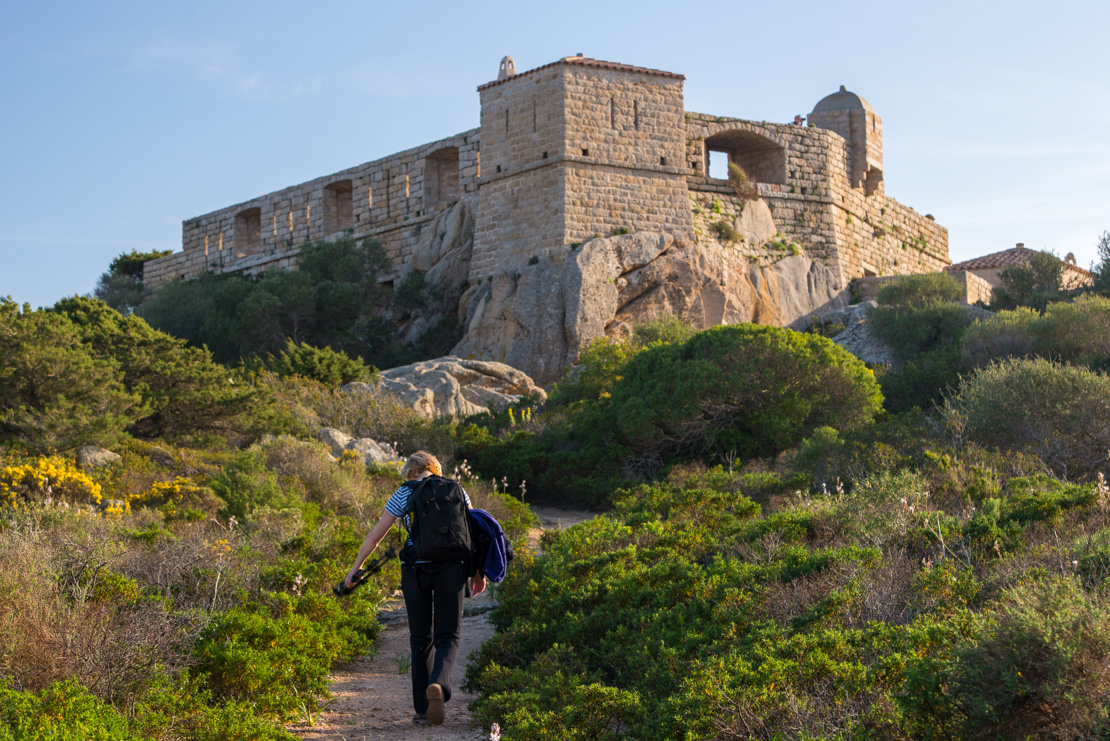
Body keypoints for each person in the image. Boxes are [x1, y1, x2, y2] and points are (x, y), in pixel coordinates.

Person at [343, 450, 486, 726]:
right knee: (449, 636)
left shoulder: (404, 492)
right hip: (452, 569)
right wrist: (477, 572)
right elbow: (474, 533)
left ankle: (422, 709)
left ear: (411, 471)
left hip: (415, 570)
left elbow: (375, 535)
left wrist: (355, 570)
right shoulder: (457, 489)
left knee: (421, 639)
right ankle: (439, 685)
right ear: (435, 468)